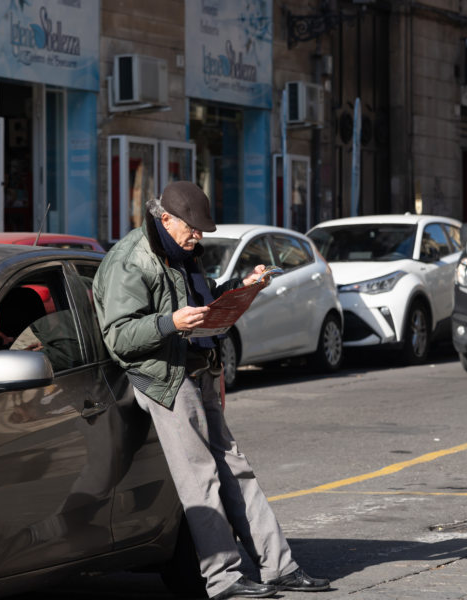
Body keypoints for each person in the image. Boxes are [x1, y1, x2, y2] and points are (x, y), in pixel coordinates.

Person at [92, 181, 330, 600]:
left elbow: (204, 304)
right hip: (164, 377)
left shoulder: (181, 251)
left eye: (202, 229)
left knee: (236, 470)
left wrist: (244, 287)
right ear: (165, 219)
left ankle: (279, 568)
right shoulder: (129, 261)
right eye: (194, 229)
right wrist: (171, 323)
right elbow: (119, 337)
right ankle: (223, 579)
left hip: (199, 369)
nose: (198, 236)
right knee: (199, 477)